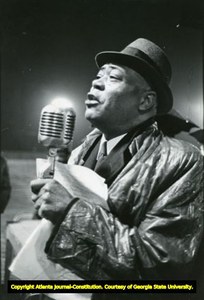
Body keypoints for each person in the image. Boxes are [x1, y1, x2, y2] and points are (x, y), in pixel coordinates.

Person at [31, 38, 204, 299]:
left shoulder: (183, 160)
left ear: (146, 101)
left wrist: (70, 211)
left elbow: (162, 266)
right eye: (98, 76)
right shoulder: (80, 151)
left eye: (113, 78)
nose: (96, 82)